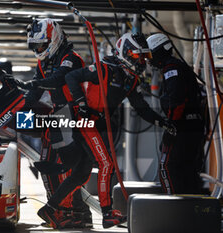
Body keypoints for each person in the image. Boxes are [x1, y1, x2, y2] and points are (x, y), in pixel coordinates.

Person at [63, 32, 176, 228]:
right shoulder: (105, 68)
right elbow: (71, 76)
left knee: (85, 170)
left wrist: (161, 121)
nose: (141, 61)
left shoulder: (131, 80)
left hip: (100, 127)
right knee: (105, 165)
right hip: (86, 122)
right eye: (137, 56)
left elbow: (142, 108)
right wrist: (80, 102)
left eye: (144, 57)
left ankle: (71, 208)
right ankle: (105, 213)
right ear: (126, 53)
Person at [12, 18, 93, 228]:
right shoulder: (44, 62)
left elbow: (58, 80)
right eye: (35, 46)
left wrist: (33, 84)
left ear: (53, 39)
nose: (38, 49)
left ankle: (70, 212)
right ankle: (69, 212)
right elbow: (35, 92)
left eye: (41, 45)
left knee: (64, 168)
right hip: (58, 116)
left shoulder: (71, 58)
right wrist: (20, 108)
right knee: (53, 167)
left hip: (75, 117)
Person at [146, 33, 205, 194]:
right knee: (187, 170)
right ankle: (191, 211)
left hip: (183, 126)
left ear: (160, 51)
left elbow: (176, 100)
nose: (149, 59)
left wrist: (171, 127)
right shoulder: (175, 67)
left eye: (150, 54)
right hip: (192, 126)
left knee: (167, 167)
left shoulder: (172, 69)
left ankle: (172, 208)